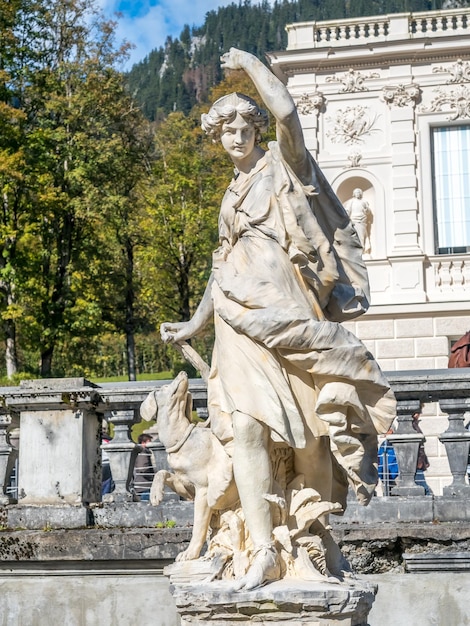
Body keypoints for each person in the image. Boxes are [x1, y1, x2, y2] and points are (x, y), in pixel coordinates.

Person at [161, 48, 395, 589]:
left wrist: (247, 63)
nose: (236, 135)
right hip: (235, 322)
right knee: (244, 427)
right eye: (226, 128)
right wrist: (196, 325)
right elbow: (220, 271)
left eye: (245, 124)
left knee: (309, 433)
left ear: (255, 130)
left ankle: (313, 536)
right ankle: (263, 548)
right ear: (216, 137)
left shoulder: (284, 165)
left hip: (287, 312)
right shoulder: (229, 196)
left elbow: (288, 112)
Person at [344, 188, 372, 254]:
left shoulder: (364, 202)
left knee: (361, 237)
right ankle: (355, 251)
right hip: (353, 220)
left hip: (362, 221)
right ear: (354, 194)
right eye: (356, 192)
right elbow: (347, 210)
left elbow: (368, 211)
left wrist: (366, 209)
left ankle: (361, 251)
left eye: (359, 192)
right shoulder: (351, 201)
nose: (357, 194)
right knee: (354, 236)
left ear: (361, 194)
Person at [412, 412, 432, 495]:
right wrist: (421, 462)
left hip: (417, 463)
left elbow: (421, 447)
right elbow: (418, 447)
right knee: (424, 489)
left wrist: (425, 461)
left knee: (423, 489)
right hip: (416, 464)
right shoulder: (412, 426)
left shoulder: (415, 425)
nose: (420, 414)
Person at [133, 434, 156, 502]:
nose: (151, 444)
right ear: (143, 443)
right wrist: (153, 477)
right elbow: (142, 468)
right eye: (149, 441)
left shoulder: (141, 452)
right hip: (144, 485)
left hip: (142, 485)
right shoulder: (143, 452)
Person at [377, 428, 399, 496]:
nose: (386, 433)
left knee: (397, 495)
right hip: (384, 475)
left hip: (396, 476)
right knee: (386, 495)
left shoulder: (397, 443)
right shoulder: (384, 444)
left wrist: (396, 472)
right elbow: (379, 459)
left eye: (388, 430)